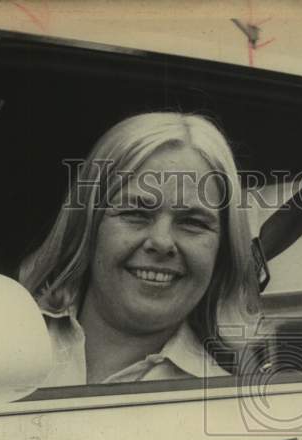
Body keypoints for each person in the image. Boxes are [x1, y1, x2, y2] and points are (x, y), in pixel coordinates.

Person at [20, 112, 260, 386]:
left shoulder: (224, 401)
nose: (161, 242)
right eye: (135, 212)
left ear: (223, 252)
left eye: (192, 222)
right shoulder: (3, 341)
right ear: (88, 226)